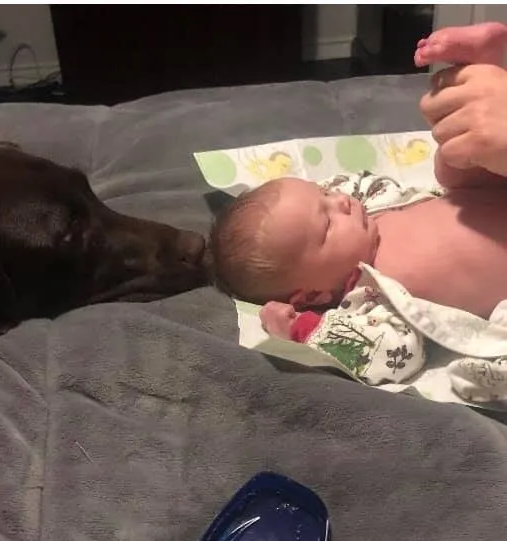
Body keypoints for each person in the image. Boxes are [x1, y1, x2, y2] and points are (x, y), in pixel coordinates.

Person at [210, 21, 507, 341]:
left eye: (325, 194)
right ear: (313, 295)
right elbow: (391, 352)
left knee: (452, 163)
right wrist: (303, 331)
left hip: (487, 190)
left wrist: (316, 198)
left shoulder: (372, 212)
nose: (341, 202)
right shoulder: (368, 299)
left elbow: (350, 186)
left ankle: (475, 75)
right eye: (327, 225)